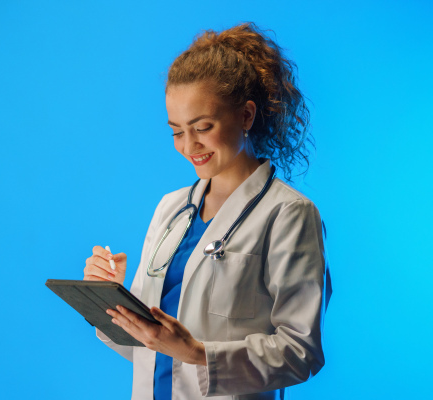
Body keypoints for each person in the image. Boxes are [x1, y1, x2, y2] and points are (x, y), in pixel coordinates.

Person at [83, 22, 331, 400]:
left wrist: (198, 354)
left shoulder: (289, 214)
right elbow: (147, 349)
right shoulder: (170, 208)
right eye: (177, 131)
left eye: (202, 126)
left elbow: (301, 352)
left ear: (246, 116)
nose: (188, 146)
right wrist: (109, 299)